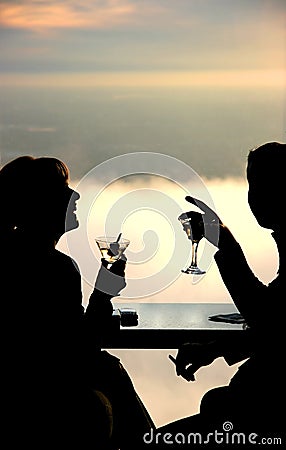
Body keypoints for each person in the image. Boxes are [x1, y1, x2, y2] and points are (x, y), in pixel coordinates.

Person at [0, 155, 154, 449]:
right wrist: (105, 290)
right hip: (54, 404)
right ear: (38, 203)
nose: (76, 194)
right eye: (63, 187)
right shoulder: (53, 268)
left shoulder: (12, 257)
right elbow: (78, 348)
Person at [153, 141, 285, 447]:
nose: (254, 196)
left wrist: (225, 243)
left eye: (264, 183)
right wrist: (213, 349)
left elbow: (265, 317)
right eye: (252, 184)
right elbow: (281, 326)